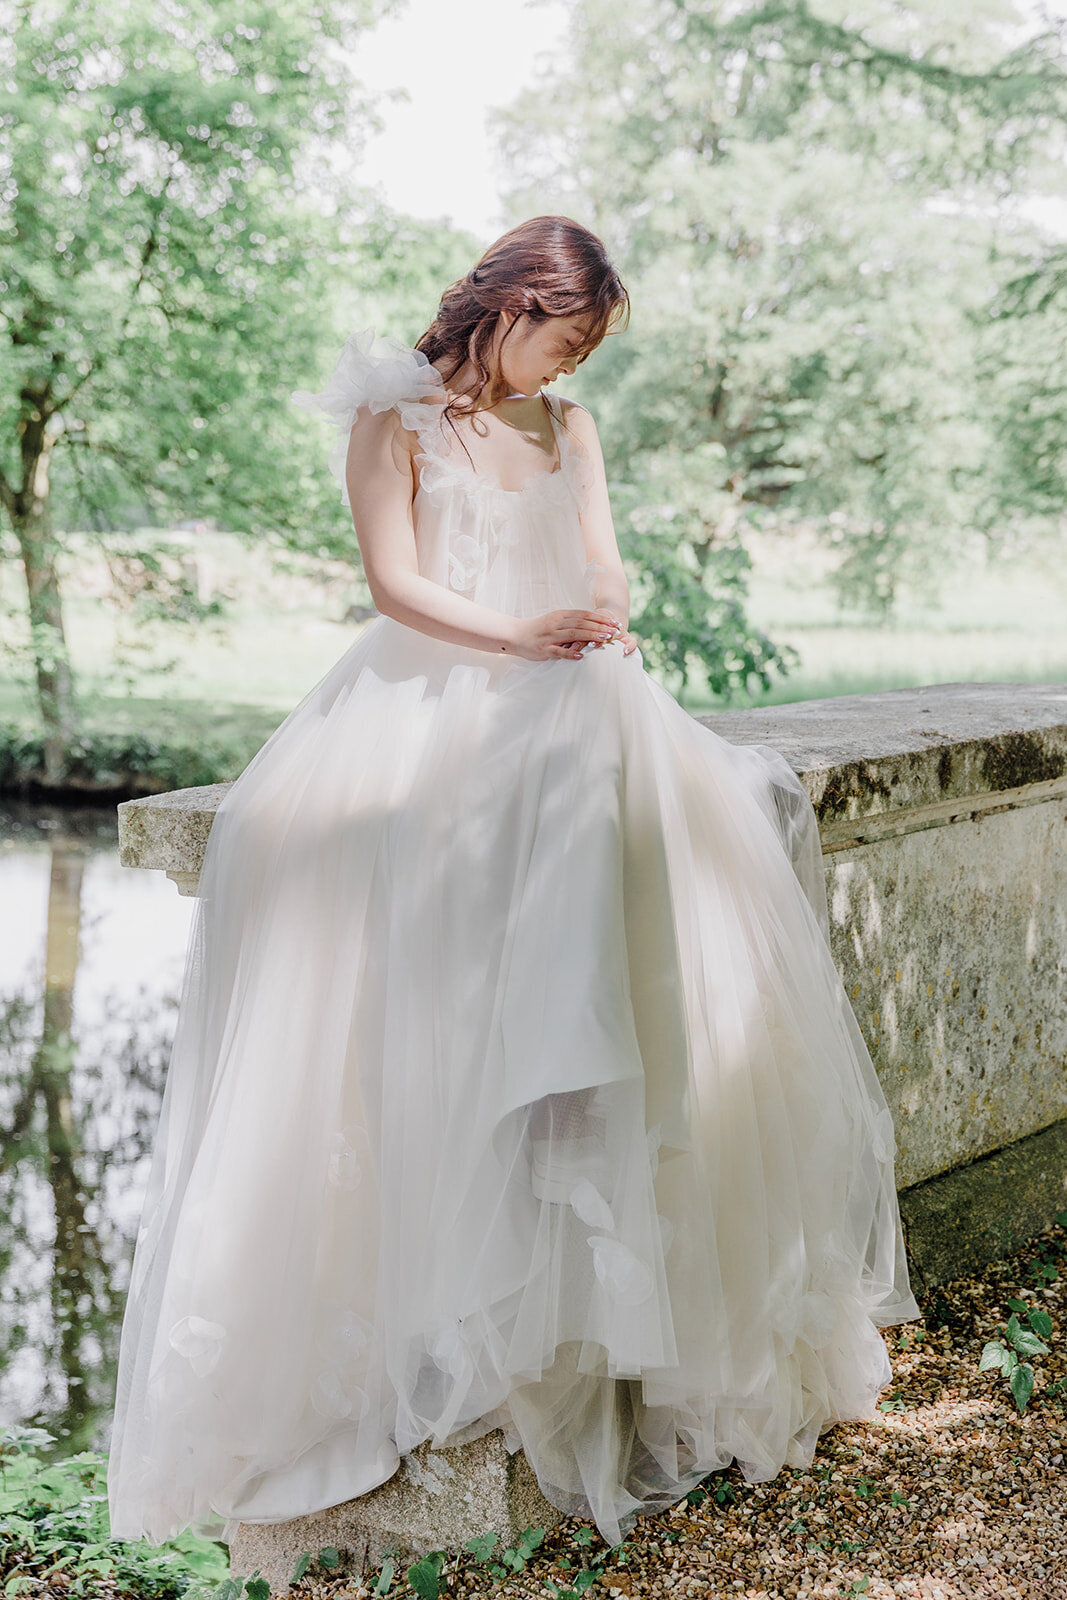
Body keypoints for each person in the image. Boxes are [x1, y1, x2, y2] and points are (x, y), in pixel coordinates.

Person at [106, 215, 922, 1553]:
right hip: (437, 690)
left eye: (587, 346)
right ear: (508, 305)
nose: (568, 362)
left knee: (677, 795)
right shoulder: (397, 418)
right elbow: (396, 585)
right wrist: (523, 636)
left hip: (562, 681)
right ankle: (491, 1236)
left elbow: (598, 556)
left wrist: (595, 607)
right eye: (564, 333)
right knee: (522, 816)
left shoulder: (571, 431)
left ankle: (593, 1172)